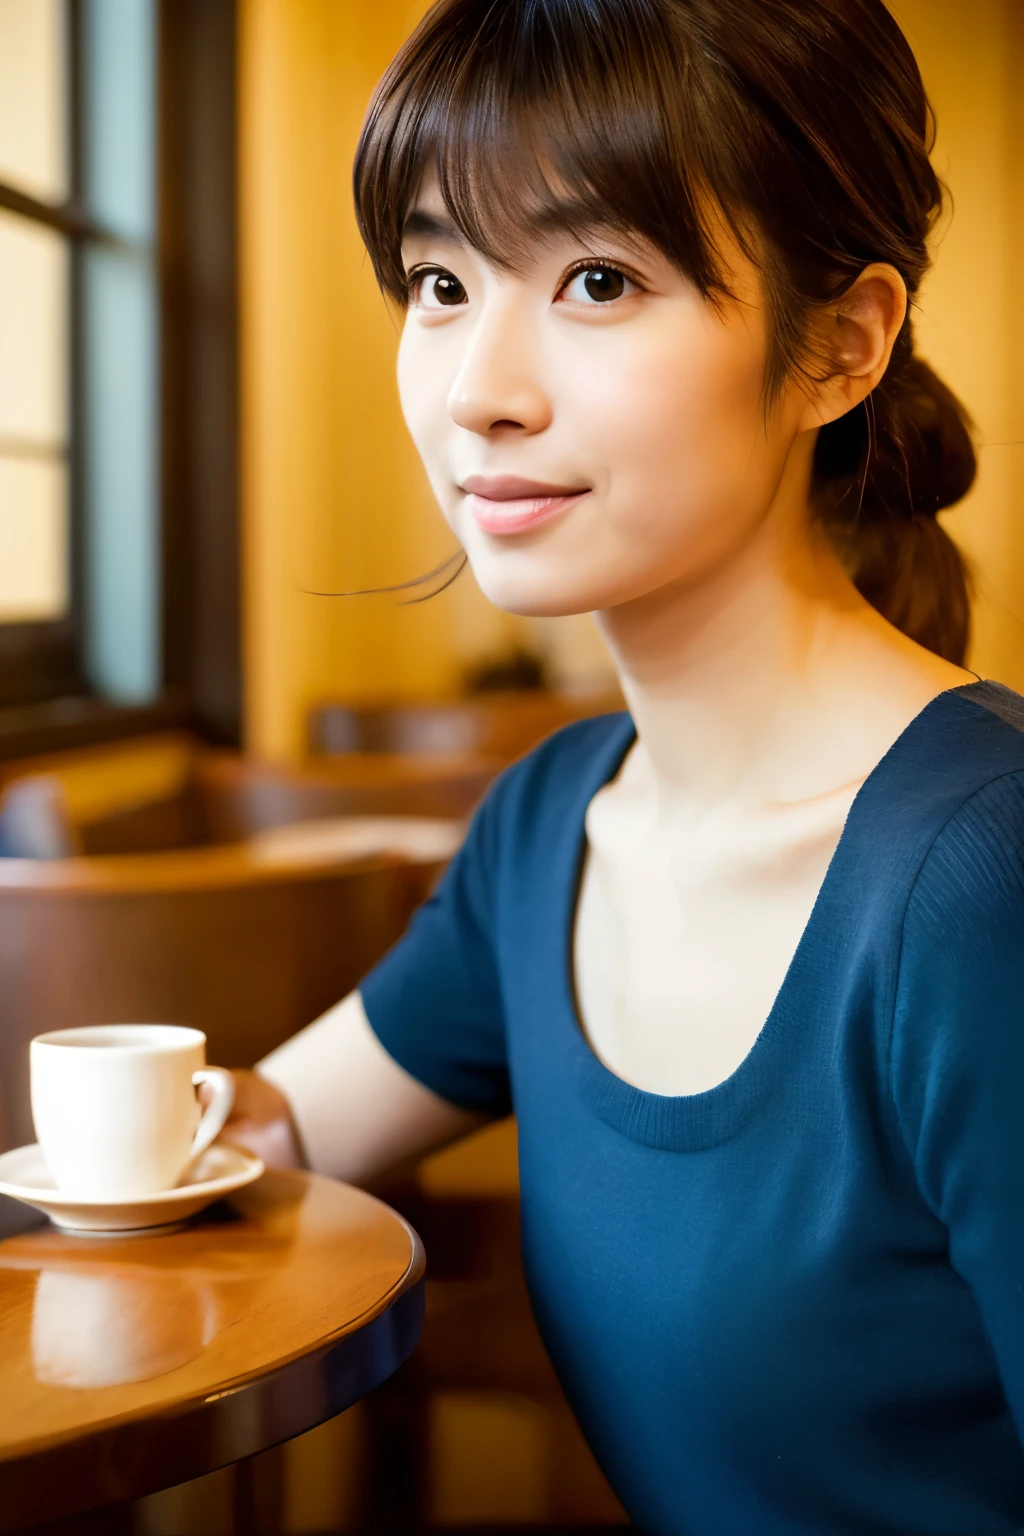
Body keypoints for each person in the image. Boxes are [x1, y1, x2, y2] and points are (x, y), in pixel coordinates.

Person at [226, 1, 1024, 1529]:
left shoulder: (981, 875)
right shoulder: (554, 824)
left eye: (598, 280)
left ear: (841, 347)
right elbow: (268, 1129)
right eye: (440, 281)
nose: (478, 390)